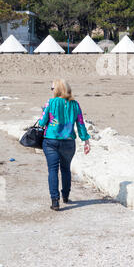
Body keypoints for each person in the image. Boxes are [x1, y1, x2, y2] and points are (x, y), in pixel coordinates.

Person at [39, 79, 91, 211]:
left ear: (57, 90)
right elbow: (80, 123)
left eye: (52, 89)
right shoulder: (75, 104)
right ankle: (66, 196)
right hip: (68, 142)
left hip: (51, 140)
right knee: (66, 169)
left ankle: (55, 201)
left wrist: (44, 112)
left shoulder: (50, 102)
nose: (51, 91)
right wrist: (86, 141)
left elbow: (42, 122)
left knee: (53, 170)